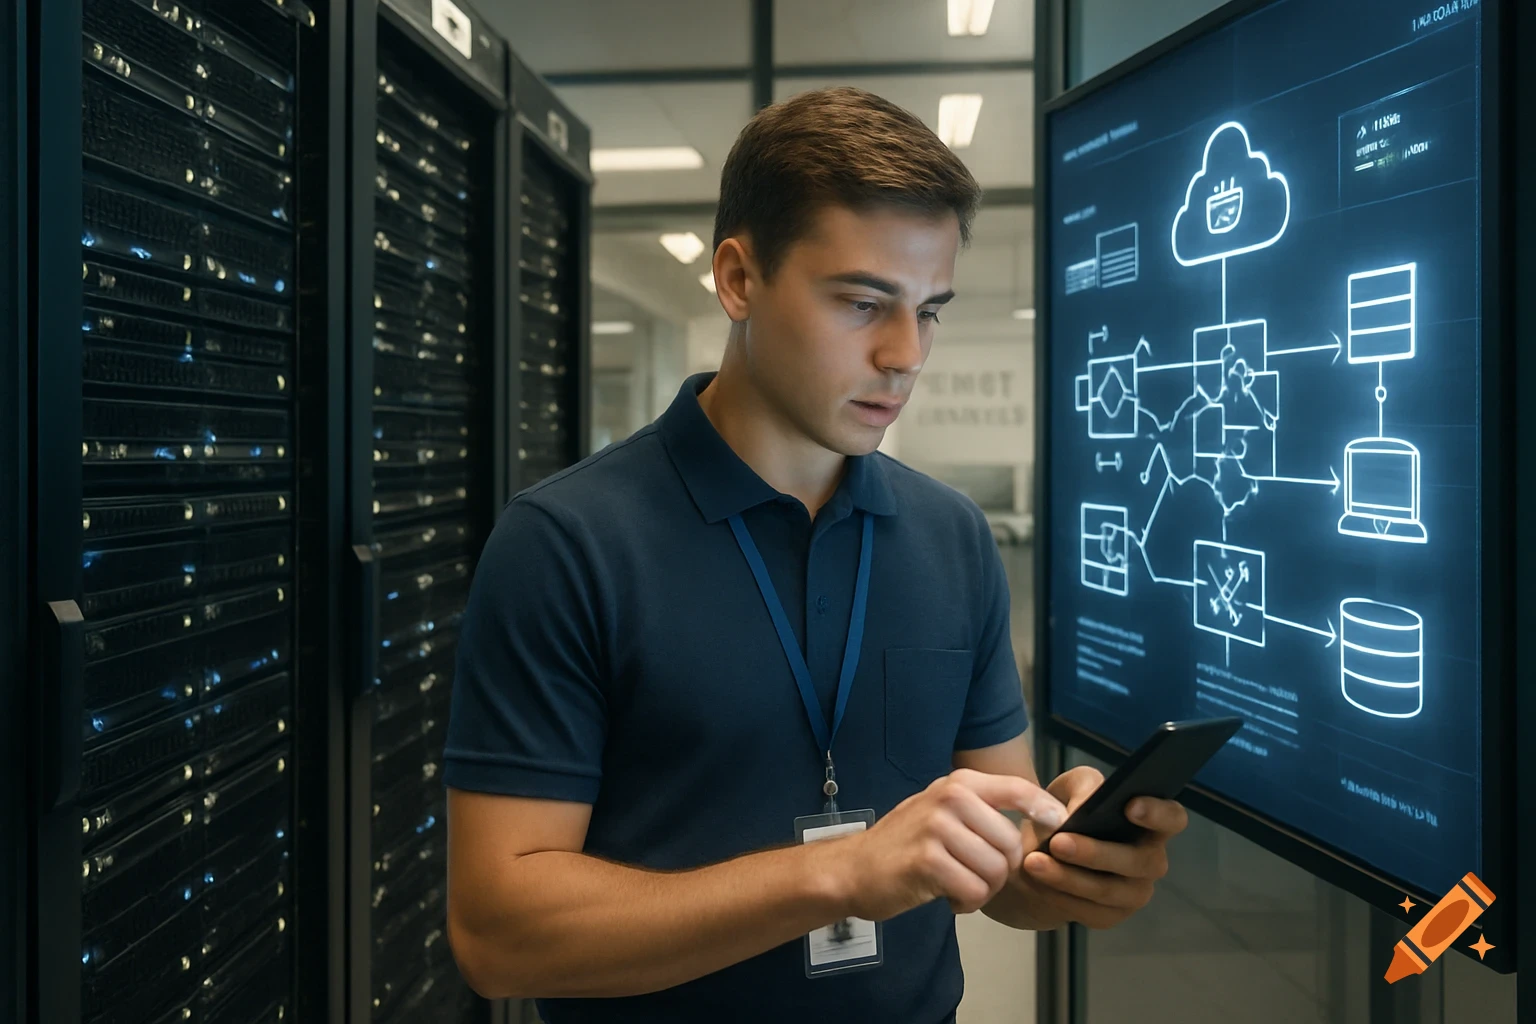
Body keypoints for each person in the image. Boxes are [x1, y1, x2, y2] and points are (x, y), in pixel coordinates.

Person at [444, 86, 1188, 1023]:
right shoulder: (567, 544)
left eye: (930, 311)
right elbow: (497, 936)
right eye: (863, 303)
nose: (904, 353)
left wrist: (1070, 864)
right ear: (739, 278)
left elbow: (1003, 874)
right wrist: (838, 871)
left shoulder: (951, 538)